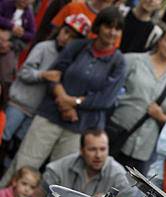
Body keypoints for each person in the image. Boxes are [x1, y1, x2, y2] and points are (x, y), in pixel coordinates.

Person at [0, 7, 126, 187]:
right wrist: (64, 103)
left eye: (117, 28)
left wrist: (72, 102)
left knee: (58, 178)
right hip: (50, 115)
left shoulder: (119, 61)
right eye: (108, 26)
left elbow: (105, 98)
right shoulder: (78, 46)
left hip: (79, 127)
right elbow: (54, 75)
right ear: (99, 27)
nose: (112, 32)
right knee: (23, 165)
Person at [2, 14, 91, 155]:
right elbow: (23, 72)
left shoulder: (73, 60)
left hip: (37, 111)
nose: (66, 38)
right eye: (66, 32)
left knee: (18, 147)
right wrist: (42, 75)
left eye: (73, 37)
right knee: (3, 137)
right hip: (19, 103)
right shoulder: (44, 47)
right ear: (60, 30)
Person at [110, 28, 166, 173]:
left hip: (142, 149)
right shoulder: (132, 61)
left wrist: (161, 116)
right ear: (160, 41)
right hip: (115, 133)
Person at [38, 129, 135, 197]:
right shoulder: (60, 167)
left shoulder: (118, 174)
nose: (98, 155)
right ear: (81, 150)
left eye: (102, 149)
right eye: (92, 149)